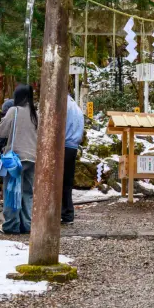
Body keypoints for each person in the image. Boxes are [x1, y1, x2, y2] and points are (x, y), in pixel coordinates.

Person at [0, 85, 38, 234]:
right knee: (27, 192)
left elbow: (1, 131)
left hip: (15, 159)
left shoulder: (14, 111)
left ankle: (11, 225)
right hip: (33, 158)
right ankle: (27, 224)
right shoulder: (36, 113)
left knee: (11, 191)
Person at [61, 91, 85, 225]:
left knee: (58, 181)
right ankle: (68, 212)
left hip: (63, 145)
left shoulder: (62, 105)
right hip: (73, 146)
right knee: (67, 182)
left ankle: (60, 211)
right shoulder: (76, 107)